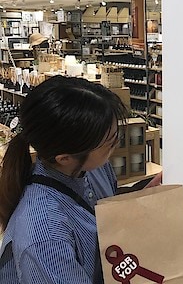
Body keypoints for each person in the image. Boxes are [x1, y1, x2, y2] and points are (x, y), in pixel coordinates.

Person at [0, 75, 128, 283]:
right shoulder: (44, 233)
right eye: (110, 143)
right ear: (65, 158)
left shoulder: (92, 168)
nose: (117, 144)